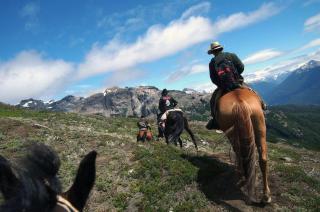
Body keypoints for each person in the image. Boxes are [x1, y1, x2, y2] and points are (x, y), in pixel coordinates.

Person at [206, 41, 266, 130]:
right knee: (253, 92)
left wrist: (222, 85)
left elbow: (213, 78)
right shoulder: (231, 55)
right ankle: (262, 104)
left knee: (213, 101)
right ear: (220, 49)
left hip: (224, 87)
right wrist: (236, 76)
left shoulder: (212, 63)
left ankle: (215, 121)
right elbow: (241, 67)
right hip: (238, 82)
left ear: (212, 52)